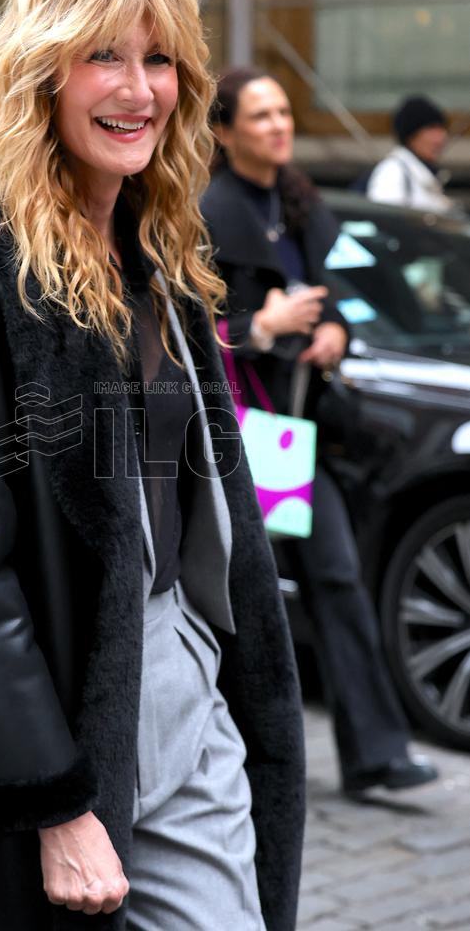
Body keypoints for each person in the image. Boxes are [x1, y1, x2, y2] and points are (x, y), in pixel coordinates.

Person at [0, 0, 305, 931]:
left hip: (180, 682)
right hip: (38, 716)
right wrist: (52, 801)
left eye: (159, 59)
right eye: (104, 54)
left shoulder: (160, 258)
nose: (138, 87)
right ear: (43, 73)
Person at [202, 65, 439, 799]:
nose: (278, 125)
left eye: (283, 112)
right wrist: (260, 326)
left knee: (336, 578)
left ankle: (374, 754)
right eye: (260, 114)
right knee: (231, 599)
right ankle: (222, 757)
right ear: (223, 131)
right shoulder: (208, 214)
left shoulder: (301, 206)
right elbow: (179, 336)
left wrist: (331, 327)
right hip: (233, 438)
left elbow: (339, 301)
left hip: (297, 435)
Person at [366, 94, 460, 216]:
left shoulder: (425, 178)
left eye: (442, 129)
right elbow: (385, 222)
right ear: (411, 136)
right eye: (432, 129)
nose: (440, 138)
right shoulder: (393, 172)